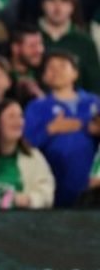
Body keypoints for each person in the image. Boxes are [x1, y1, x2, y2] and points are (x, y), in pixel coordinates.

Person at [24, 51, 100, 207]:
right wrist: (50, 129)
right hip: (54, 183)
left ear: (75, 73)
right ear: (44, 76)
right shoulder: (37, 107)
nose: (57, 71)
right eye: (51, 68)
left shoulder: (95, 102)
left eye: (63, 66)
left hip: (93, 186)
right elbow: (26, 143)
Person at [38, 0, 100, 94]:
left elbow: (94, 86)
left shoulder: (85, 42)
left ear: (73, 6)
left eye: (64, 1)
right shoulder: (31, 37)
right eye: (52, 0)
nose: (57, 7)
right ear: (43, 4)